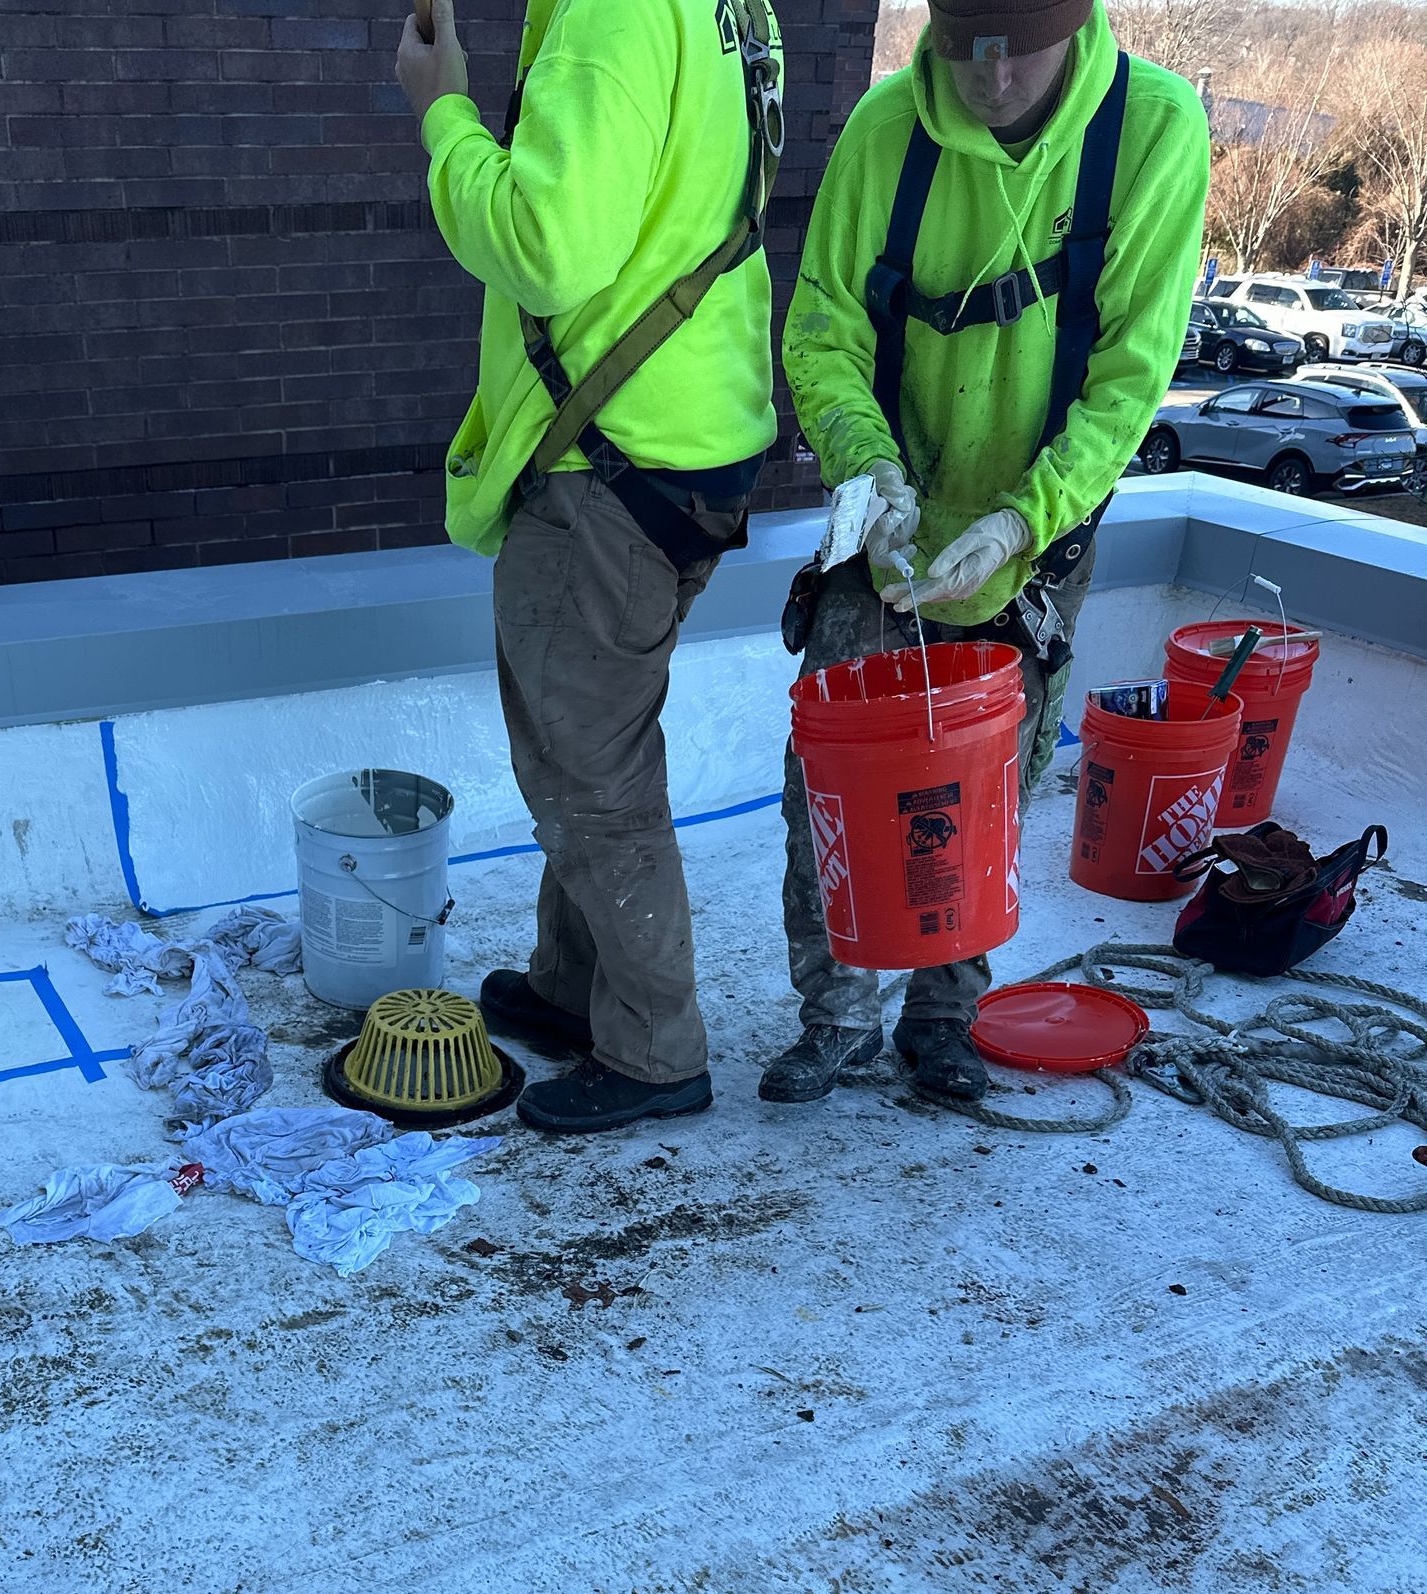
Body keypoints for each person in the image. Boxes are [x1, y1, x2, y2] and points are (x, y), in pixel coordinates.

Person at [764, 0, 1209, 1104]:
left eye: (1019, 52)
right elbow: (822, 333)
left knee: (984, 794)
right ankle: (835, 1021)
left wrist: (1021, 519)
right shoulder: (885, 130)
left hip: (1033, 533)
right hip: (891, 522)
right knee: (826, 782)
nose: (991, 78)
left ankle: (945, 1017)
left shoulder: (1151, 132)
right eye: (966, 48)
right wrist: (869, 471)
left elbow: (1126, 381)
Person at [396, 0, 783, 1132]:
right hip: (693, 439)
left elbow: (545, 246)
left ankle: (657, 1048)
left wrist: (442, 115)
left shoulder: (615, 9)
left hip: (609, 461)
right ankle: (577, 987)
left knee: (591, 773)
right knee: (592, 736)